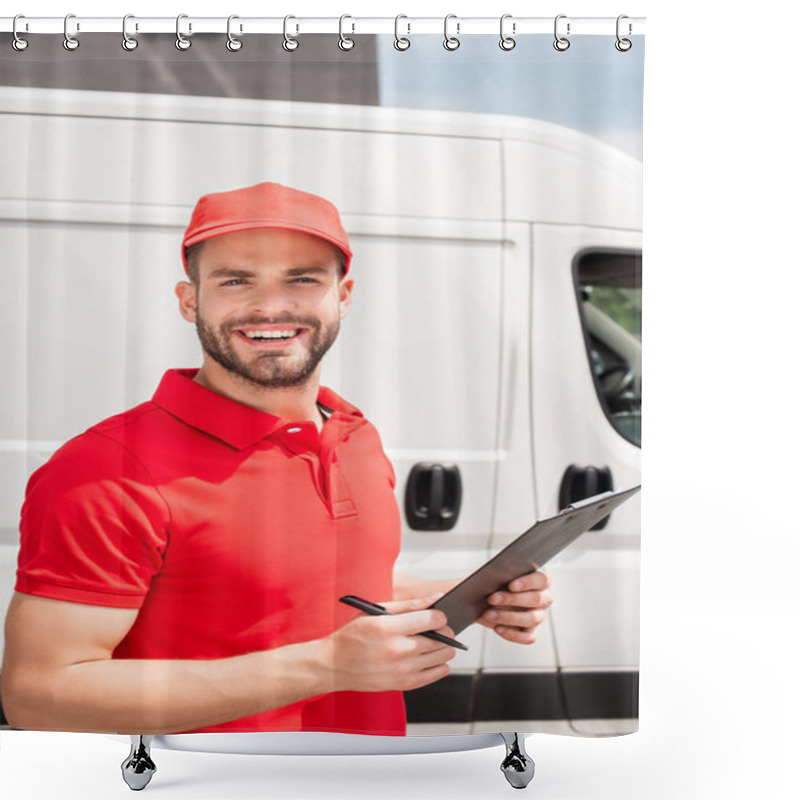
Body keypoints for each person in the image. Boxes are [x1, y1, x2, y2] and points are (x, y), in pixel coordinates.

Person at [1, 182, 552, 736]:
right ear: (189, 300)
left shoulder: (353, 435)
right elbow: (40, 695)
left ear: (344, 295)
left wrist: (464, 597)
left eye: (303, 278)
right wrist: (326, 667)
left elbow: (312, 584)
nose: (270, 305)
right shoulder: (106, 469)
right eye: (236, 280)